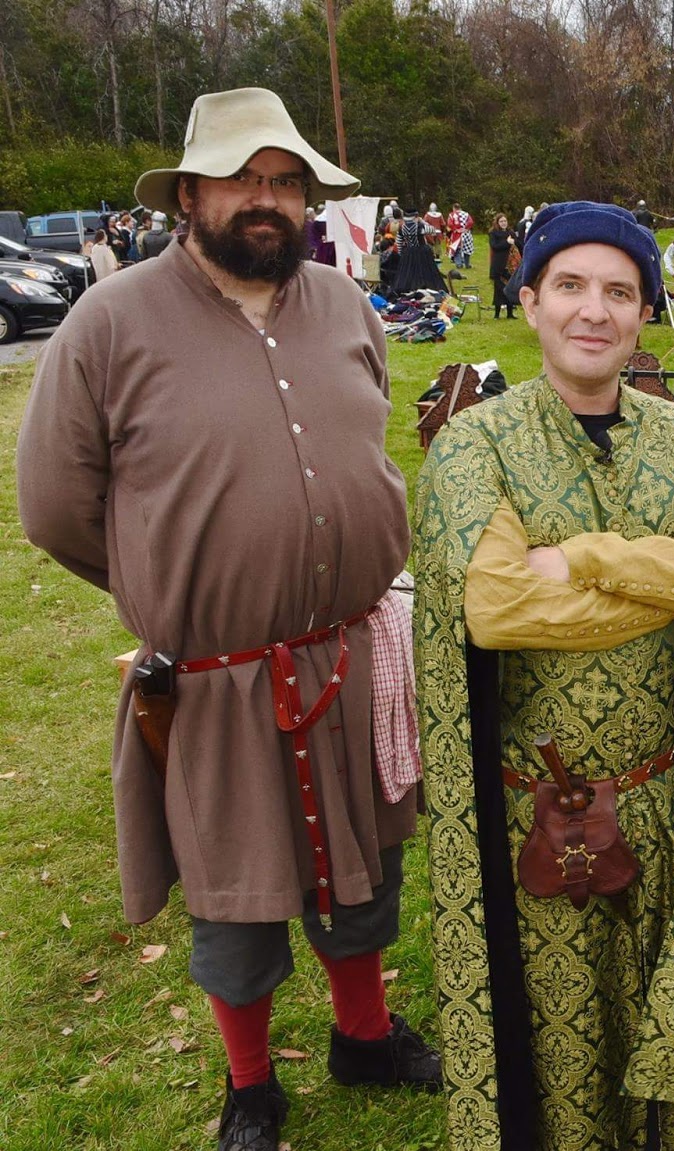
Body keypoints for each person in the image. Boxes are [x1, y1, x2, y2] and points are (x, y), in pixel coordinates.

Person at [15, 87, 440, 1151]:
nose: (266, 198)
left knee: (363, 871)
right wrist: (175, 585)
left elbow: (368, 438)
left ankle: (364, 1035)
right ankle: (250, 1087)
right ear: (188, 195)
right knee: (235, 894)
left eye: (285, 181)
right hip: (217, 677)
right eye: (241, 178)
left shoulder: (344, 305)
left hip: (348, 654)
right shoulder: (109, 321)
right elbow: (56, 508)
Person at [412, 200, 674, 1150]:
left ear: (644, 312)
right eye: (571, 286)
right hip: (537, 814)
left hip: (671, 797)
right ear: (530, 301)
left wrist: (585, 557)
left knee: (672, 1007)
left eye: (620, 292)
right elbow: (496, 606)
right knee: (561, 1044)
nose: (595, 310)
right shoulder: (475, 444)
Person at [391, 205, 447, 295]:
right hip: (422, 252)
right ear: (416, 216)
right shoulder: (420, 226)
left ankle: (409, 290)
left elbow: (399, 242)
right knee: (426, 272)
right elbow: (432, 230)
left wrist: (402, 255)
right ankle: (426, 287)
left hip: (408, 252)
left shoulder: (402, 228)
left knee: (409, 273)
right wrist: (422, 221)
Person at [486, 212, 515, 319]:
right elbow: (495, 246)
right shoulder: (493, 233)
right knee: (499, 290)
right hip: (498, 265)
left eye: (505, 221)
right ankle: (497, 314)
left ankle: (510, 313)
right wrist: (507, 242)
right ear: (497, 222)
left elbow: (517, 244)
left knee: (509, 288)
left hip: (509, 264)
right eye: (501, 221)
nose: (503, 223)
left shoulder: (510, 232)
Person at [446, 201, 474, 269]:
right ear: (460, 208)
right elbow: (471, 222)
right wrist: (465, 228)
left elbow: (449, 224)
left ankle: (459, 264)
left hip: (457, 234)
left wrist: (455, 229)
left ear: (454, 208)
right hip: (466, 233)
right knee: (467, 250)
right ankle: (467, 264)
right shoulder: (466, 214)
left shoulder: (451, 215)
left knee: (456, 249)